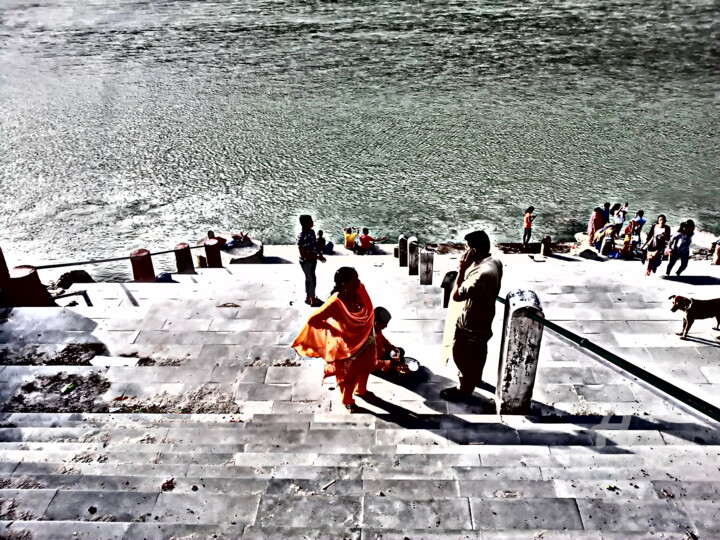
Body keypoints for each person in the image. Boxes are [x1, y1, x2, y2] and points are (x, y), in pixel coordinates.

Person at [291, 267, 377, 413]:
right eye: (354, 279)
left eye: (357, 277)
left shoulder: (359, 289)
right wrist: (333, 329)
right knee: (349, 376)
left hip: (366, 339)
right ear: (344, 283)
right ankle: (347, 401)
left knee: (366, 367)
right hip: (347, 345)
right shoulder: (335, 303)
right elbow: (313, 320)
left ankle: (361, 390)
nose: (358, 281)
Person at [440, 230, 503, 402]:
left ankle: (464, 388)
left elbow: (457, 295)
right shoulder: (495, 262)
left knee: (461, 354)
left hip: (470, 323)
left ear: (474, 251)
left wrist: (461, 269)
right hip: (485, 317)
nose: (464, 253)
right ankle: (476, 377)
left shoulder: (480, 274)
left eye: (466, 249)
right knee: (479, 351)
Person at [297, 215, 326, 307]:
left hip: (313, 259)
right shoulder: (301, 237)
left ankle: (308, 296)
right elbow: (303, 254)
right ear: (306, 224)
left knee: (309, 278)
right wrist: (317, 257)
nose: (313, 222)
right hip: (306, 262)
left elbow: (315, 244)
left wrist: (319, 254)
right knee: (312, 279)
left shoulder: (312, 232)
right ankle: (313, 300)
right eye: (311, 221)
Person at [373, 307, 404, 372]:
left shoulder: (377, 329)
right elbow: (370, 363)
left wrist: (392, 347)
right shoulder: (368, 338)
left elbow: (383, 340)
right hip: (376, 362)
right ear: (376, 323)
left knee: (400, 350)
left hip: (381, 353)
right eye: (385, 323)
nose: (386, 326)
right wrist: (389, 362)